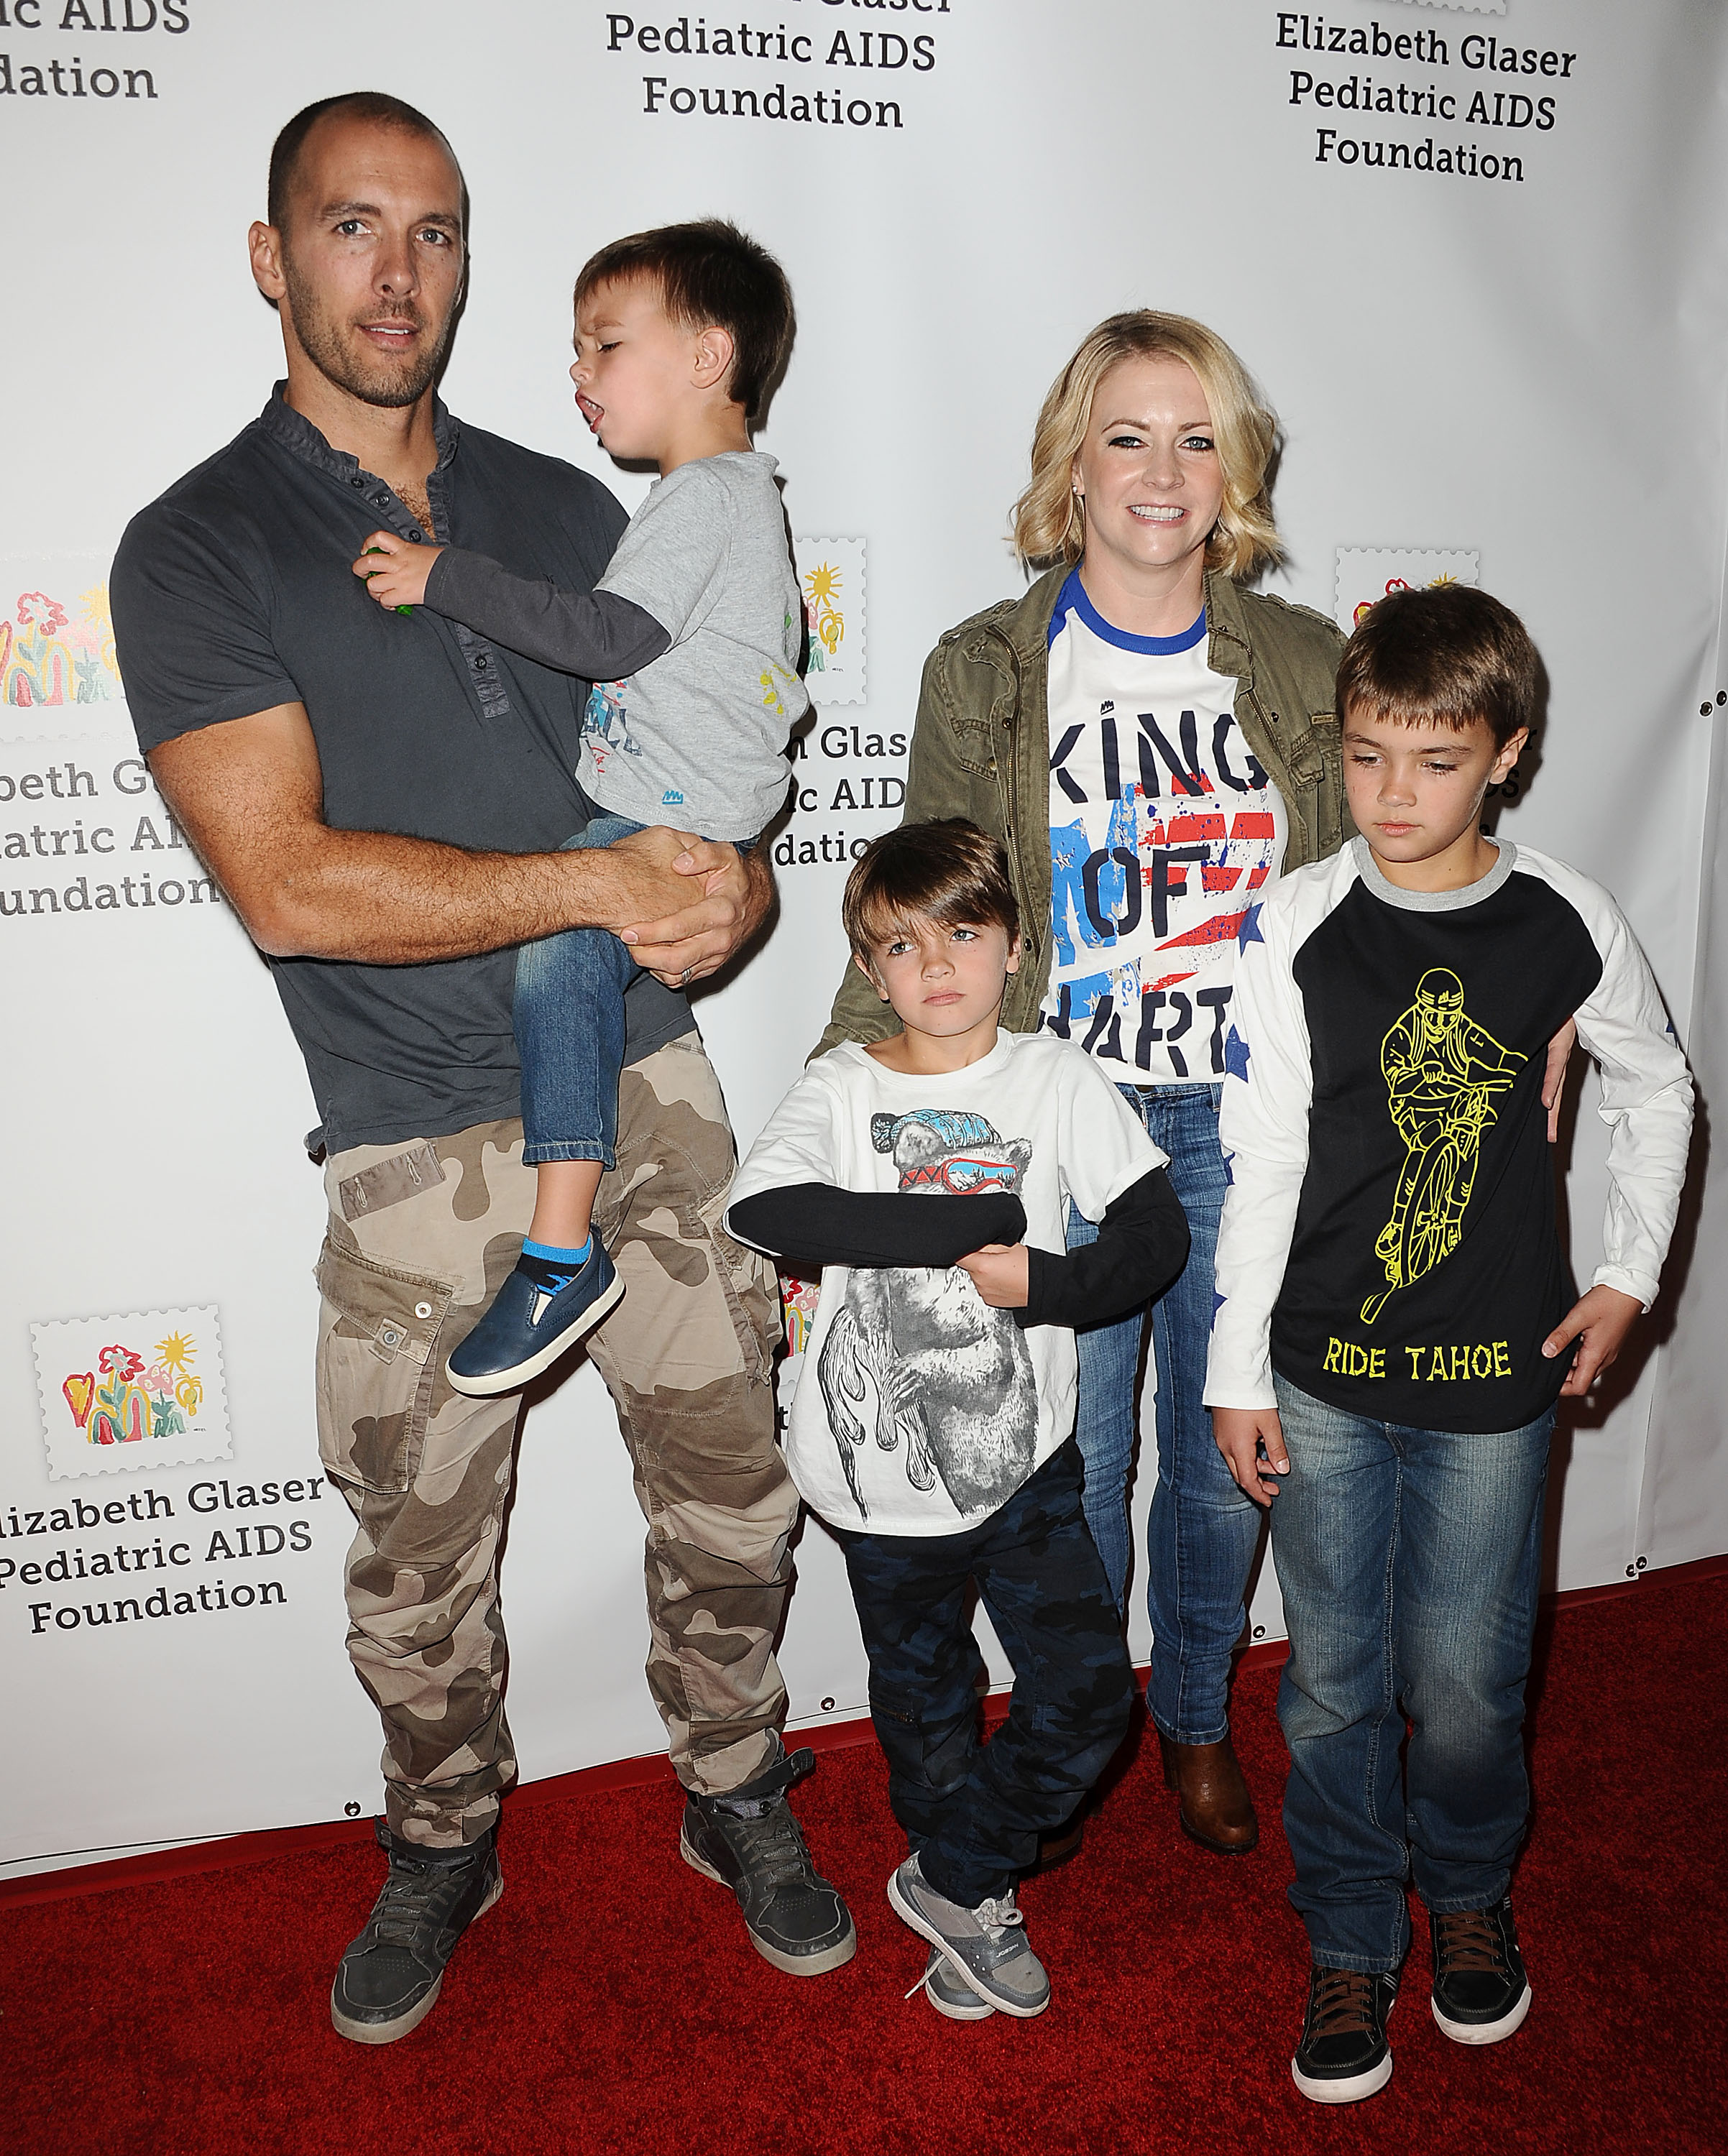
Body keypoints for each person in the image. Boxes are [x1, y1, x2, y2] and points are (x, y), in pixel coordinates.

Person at [109, 91, 854, 2047]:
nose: (399, 270)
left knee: (732, 1490)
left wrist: (736, 888)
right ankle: (441, 1835)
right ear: (276, 260)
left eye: (435, 231)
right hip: (413, 1140)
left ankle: (735, 1787)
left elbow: (683, 745)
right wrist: (594, 879)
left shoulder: (567, 500)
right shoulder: (196, 545)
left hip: (651, 1077)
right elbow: (287, 880)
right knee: (420, 1566)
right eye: (352, 228)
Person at [816, 311, 1354, 1857]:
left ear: (1235, 466)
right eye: (1125, 434)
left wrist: (1536, 1005)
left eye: (1196, 436)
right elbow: (916, 925)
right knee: (1071, 1462)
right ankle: (1086, 1718)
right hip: (1076, 1127)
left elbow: (1392, 877)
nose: (1161, 469)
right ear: (1070, 463)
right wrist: (841, 1137)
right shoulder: (983, 671)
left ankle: (1192, 1720)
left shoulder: (1309, 667)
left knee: (1216, 1464)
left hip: (1250, 1124)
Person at [1204, 586, 1693, 2104]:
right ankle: (1349, 1929)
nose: (1392, 796)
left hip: (1496, 1382)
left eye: (1430, 761)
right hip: (1322, 1375)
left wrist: (1623, 1274)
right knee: (1336, 1677)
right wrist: (1232, 1364)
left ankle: (1467, 1896)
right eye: (1363, 759)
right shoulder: (1292, 921)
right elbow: (1261, 1155)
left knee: (1472, 1680)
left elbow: (1657, 1085)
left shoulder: (1563, 917)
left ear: (1505, 755)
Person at [730, 820, 1189, 2019]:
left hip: (1026, 1466)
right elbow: (766, 1207)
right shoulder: (842, 1084)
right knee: (925, 1710)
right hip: (875, 1487)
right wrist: (961, 1221)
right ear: (871, 971)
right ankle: (970, 1907)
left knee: (1089, 1699)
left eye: (964, 935)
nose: (936, 966)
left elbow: (1155, 1235)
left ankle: (953, 1878)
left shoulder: (1056, 1076)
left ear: (1016, 947)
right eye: (901, 946)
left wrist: (1048, 1284)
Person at [354, 219, 806, 1396]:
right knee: (564, 964)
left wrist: (439, 575)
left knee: (556, 959)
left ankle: (560, 1253)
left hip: (667, 825)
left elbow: (607, 635)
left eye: (606, 345)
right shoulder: (720, 496)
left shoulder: (705, 499)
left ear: (709, 358)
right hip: (685, 814)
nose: (580, 374)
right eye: (577, 349)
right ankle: (561, 1247)